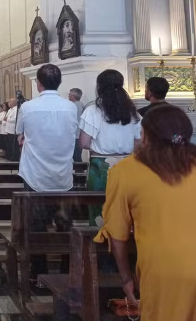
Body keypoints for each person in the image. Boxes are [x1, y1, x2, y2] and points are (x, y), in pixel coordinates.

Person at [96, 105, 196, 320]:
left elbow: (117, 233)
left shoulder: (125, 171)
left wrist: (126, 279)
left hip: (165, 269)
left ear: (145, 135)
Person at [16, 64, 78, 281]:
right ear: (59, 83)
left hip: (35, 175)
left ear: (38, 83)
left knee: (35, 225)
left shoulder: (27, 107)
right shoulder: (71, 108)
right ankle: (65, 270)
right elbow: (75, 135)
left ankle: (38, 272)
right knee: (64, 224)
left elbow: (19, 136)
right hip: (63, 175)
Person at [79, 69, 141, 226]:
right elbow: (139, 143)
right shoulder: (133, 112)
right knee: (125, 209)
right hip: (128, 166)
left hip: (101, 166)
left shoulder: (93, 111)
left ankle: (99, 243)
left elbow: (84, 143)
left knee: (99, 209)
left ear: (99, 87)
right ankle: (126, 245)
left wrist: (99, 147)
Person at [68, 88, 85, 162]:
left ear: (73, 96)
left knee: (76, 157)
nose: (68, 96)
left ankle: (79, 173)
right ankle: (80, 172)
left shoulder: (73, 106)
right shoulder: (81, 105)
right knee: (77, 156)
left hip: (75, 135)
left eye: (69, 94)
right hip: (79, 135)